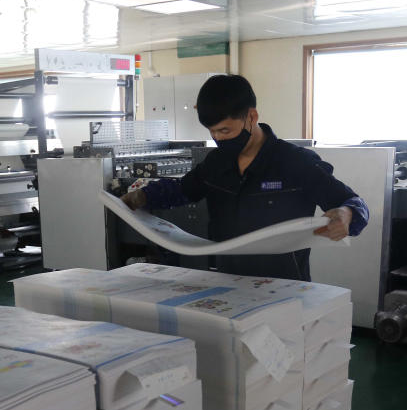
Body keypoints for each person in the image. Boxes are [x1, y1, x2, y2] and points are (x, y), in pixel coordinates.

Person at [121, 75, 369, 281]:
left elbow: (352, 202)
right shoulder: (216, 163)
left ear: (251, 117)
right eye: (213, 132)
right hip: (228, 281)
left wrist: (346, 215)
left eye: (225, 130)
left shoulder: (295, 162)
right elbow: (183, 190)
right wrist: (143, 196)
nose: (219, 138)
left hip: (285, 286)